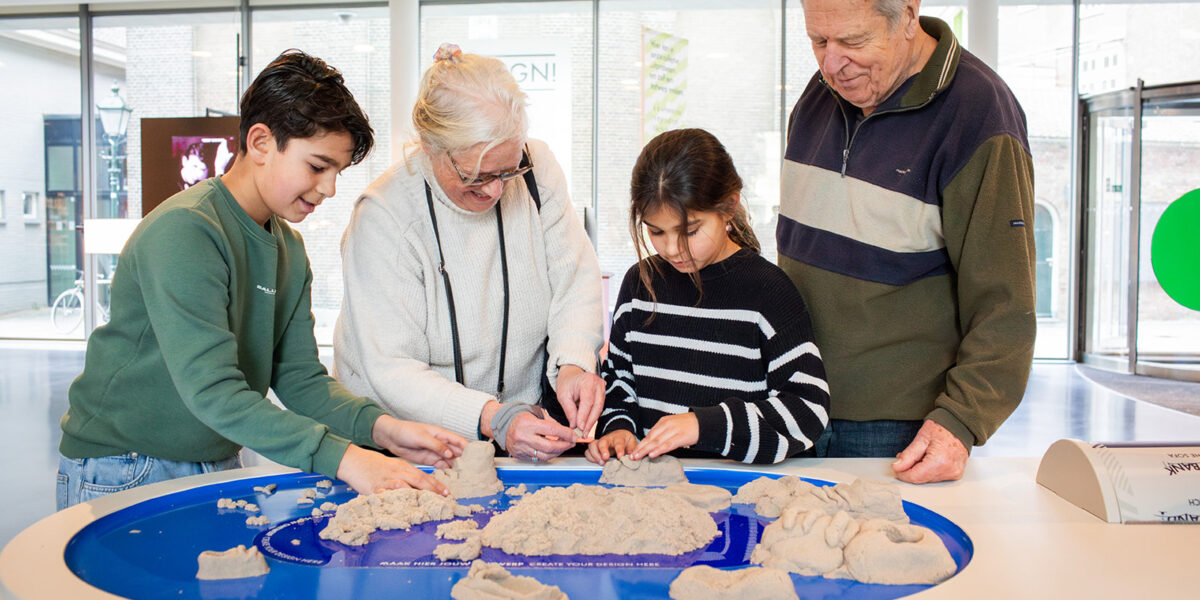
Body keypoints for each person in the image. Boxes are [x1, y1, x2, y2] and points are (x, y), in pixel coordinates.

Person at [57, 49, 467, 510]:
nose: (330, 189)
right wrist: (347, 459)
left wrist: (382, 429)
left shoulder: (288, 248)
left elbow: (300, 378)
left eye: (337, 172)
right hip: (128, 464)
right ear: (259, 143)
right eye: (317, 166)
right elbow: (213, 391)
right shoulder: (187, 230)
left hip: (218, 454)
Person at [777, 0, 1036, 483]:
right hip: (791, 403)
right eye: (818, 41)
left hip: (896, 428)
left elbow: (1006, 305)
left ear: (909, 16)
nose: (831, 65)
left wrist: (960, 421)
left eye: (853, 42)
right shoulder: (821, 94)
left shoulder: (980, 116)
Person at [334, 43, 605, 463]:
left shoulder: (539, 170)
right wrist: (492, 417)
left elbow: (575, 277)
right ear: (428, 145)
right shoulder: (384, 216)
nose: (496, 190)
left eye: (507, 171)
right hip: (407, 440)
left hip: (518, 423)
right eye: (476, 175)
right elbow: (392, 368)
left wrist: (573, 362)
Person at [585, 128, 830, 466]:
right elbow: (619, 381)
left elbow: (807, 411)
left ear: (729, 207)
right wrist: (618, 427)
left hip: (740, 492)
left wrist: (706, 426)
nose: (671, 248)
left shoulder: (770, 291)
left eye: (689, 231)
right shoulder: (640, 284)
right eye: (656, 232)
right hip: (652, 492)